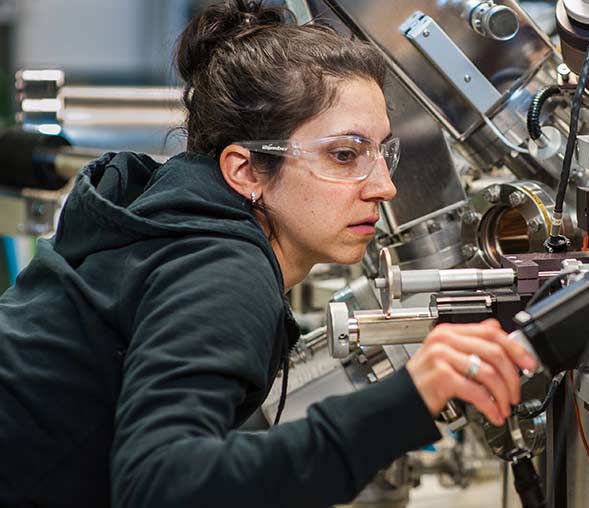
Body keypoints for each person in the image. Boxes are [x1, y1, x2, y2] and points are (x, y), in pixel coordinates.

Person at [0, 1, 537, 507]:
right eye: (345, 155)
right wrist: (408, 403)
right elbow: (162, 486)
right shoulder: (225, 271)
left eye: (384, 152)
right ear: (245, 171)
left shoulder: (173, 225)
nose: (385, 187)